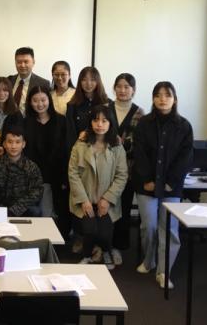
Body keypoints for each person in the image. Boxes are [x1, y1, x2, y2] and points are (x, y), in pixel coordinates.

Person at [134, 81, 193, 289]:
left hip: (171, 186)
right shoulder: (144, 123)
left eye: (167, 95)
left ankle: (163, 271)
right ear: (153, 99)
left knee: (169, 230)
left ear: (174, 99)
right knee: (149, 226)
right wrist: (147, 180)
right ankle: (149, 260)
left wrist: (170, 182)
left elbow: (185, 157)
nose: (162, 99)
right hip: (146, 185)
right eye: (158, 95)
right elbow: (139, 154)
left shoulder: (184, 126)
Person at [68, 106, 128, 270]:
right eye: (95, 120)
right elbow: (73, 173)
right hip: (86, 199)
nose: (99, 124)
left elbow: (122, 175)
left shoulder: (116, 146)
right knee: (89, 230)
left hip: (107, 200)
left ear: (110, 123)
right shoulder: (81, 144)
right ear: (90, 123)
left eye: (104, 121)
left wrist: (107, 199)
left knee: (104, 233)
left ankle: (106, 251)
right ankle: (87, 255)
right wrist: (83, 200)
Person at [108, 73, 145, 265]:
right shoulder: (105, 108)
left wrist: (123, 145)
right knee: (105, 208)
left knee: (123, 209)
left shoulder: (140, 113)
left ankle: (118, 247)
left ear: (133, 90)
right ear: (114, 88)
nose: (122, 90)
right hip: (105, 169)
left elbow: (141, 143)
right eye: (119, 86)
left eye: (127, 87)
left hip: (127, 171)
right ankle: (103, 245)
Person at [22, 86, 68, 224]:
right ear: (30, 102)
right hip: (31, 177)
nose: (40, 104)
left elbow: (66, 150)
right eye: (35, 100)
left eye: (43, 100)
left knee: (53, 216)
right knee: (34, 216)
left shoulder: (61, 121)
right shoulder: (25, 122)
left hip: (56, 177)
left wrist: (64, 178)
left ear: (49, 100)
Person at [0, 126, 43, 217]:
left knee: (36, 211)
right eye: (10, 142)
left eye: (18, 142)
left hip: (21, 209)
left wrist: (14, 210)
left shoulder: (31, 167)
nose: (13, 146)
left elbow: (36, 192)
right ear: (4, 144)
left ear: (23, 144)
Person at [65, 66, 111, 155]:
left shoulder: (107, 103)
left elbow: (111, 129)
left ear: (98, 81)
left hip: (102, 151)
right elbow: (70, 135)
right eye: (84, 80)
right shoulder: (72, 105)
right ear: (80, 82)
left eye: (92, 80)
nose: (88, 83)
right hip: (80, 151)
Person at [7, 46, 50, 115]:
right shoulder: (8, 80)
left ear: (33, 62)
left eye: (26, 62)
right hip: (9, 120)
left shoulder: (43, 83)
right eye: (19, 62)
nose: (22, 65)